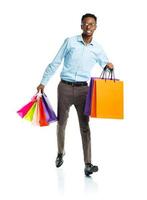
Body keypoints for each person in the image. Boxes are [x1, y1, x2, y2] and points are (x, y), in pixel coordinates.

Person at [37, 13, 114, 176]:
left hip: (84, 91)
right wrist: (43, 82)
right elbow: (56, 62)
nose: (88, 26)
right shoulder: (70, 42)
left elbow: (105, 65)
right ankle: (60, 152)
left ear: (95, 27)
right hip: (64, 88)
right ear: (81, 26)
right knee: (61, 123)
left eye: (91, 24)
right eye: (85, 24)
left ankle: (88, 164)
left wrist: (109, 65)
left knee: (85, 127)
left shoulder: (98, 48)